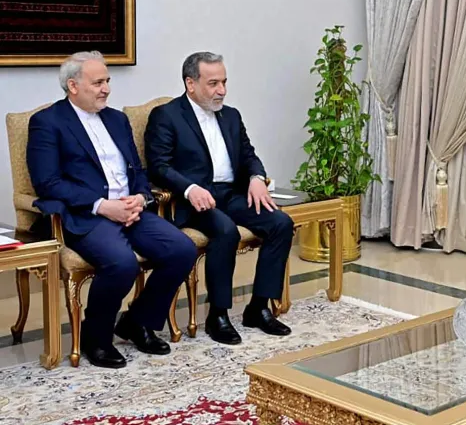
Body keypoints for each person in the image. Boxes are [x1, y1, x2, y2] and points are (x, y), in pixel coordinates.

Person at [26, 51, 197, 369]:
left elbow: (138, 172)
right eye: (98, 82)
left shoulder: (117, 119)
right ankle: (96, 339)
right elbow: (47, 183)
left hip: (131, 211)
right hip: (87, 216)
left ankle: (137, 323)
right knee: (121, 264)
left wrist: (140, 198)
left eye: (107, 81)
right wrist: (104, 206)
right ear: (73, 86)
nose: (106, 88)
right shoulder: (47, 123)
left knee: (181, 250)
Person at [145, 51, 293, 345]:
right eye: (213, 83)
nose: (222, 90)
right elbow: (159, 165)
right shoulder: (167, 116)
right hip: (192, 199)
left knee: (281, 223)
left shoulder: (231, 115)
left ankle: (258, 307)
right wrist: (189, 188)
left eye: (224, 82)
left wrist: (255, 179)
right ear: (191, 83)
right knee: (225, 231)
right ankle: (219, 314)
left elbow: (249, 156)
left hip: (231, 193)